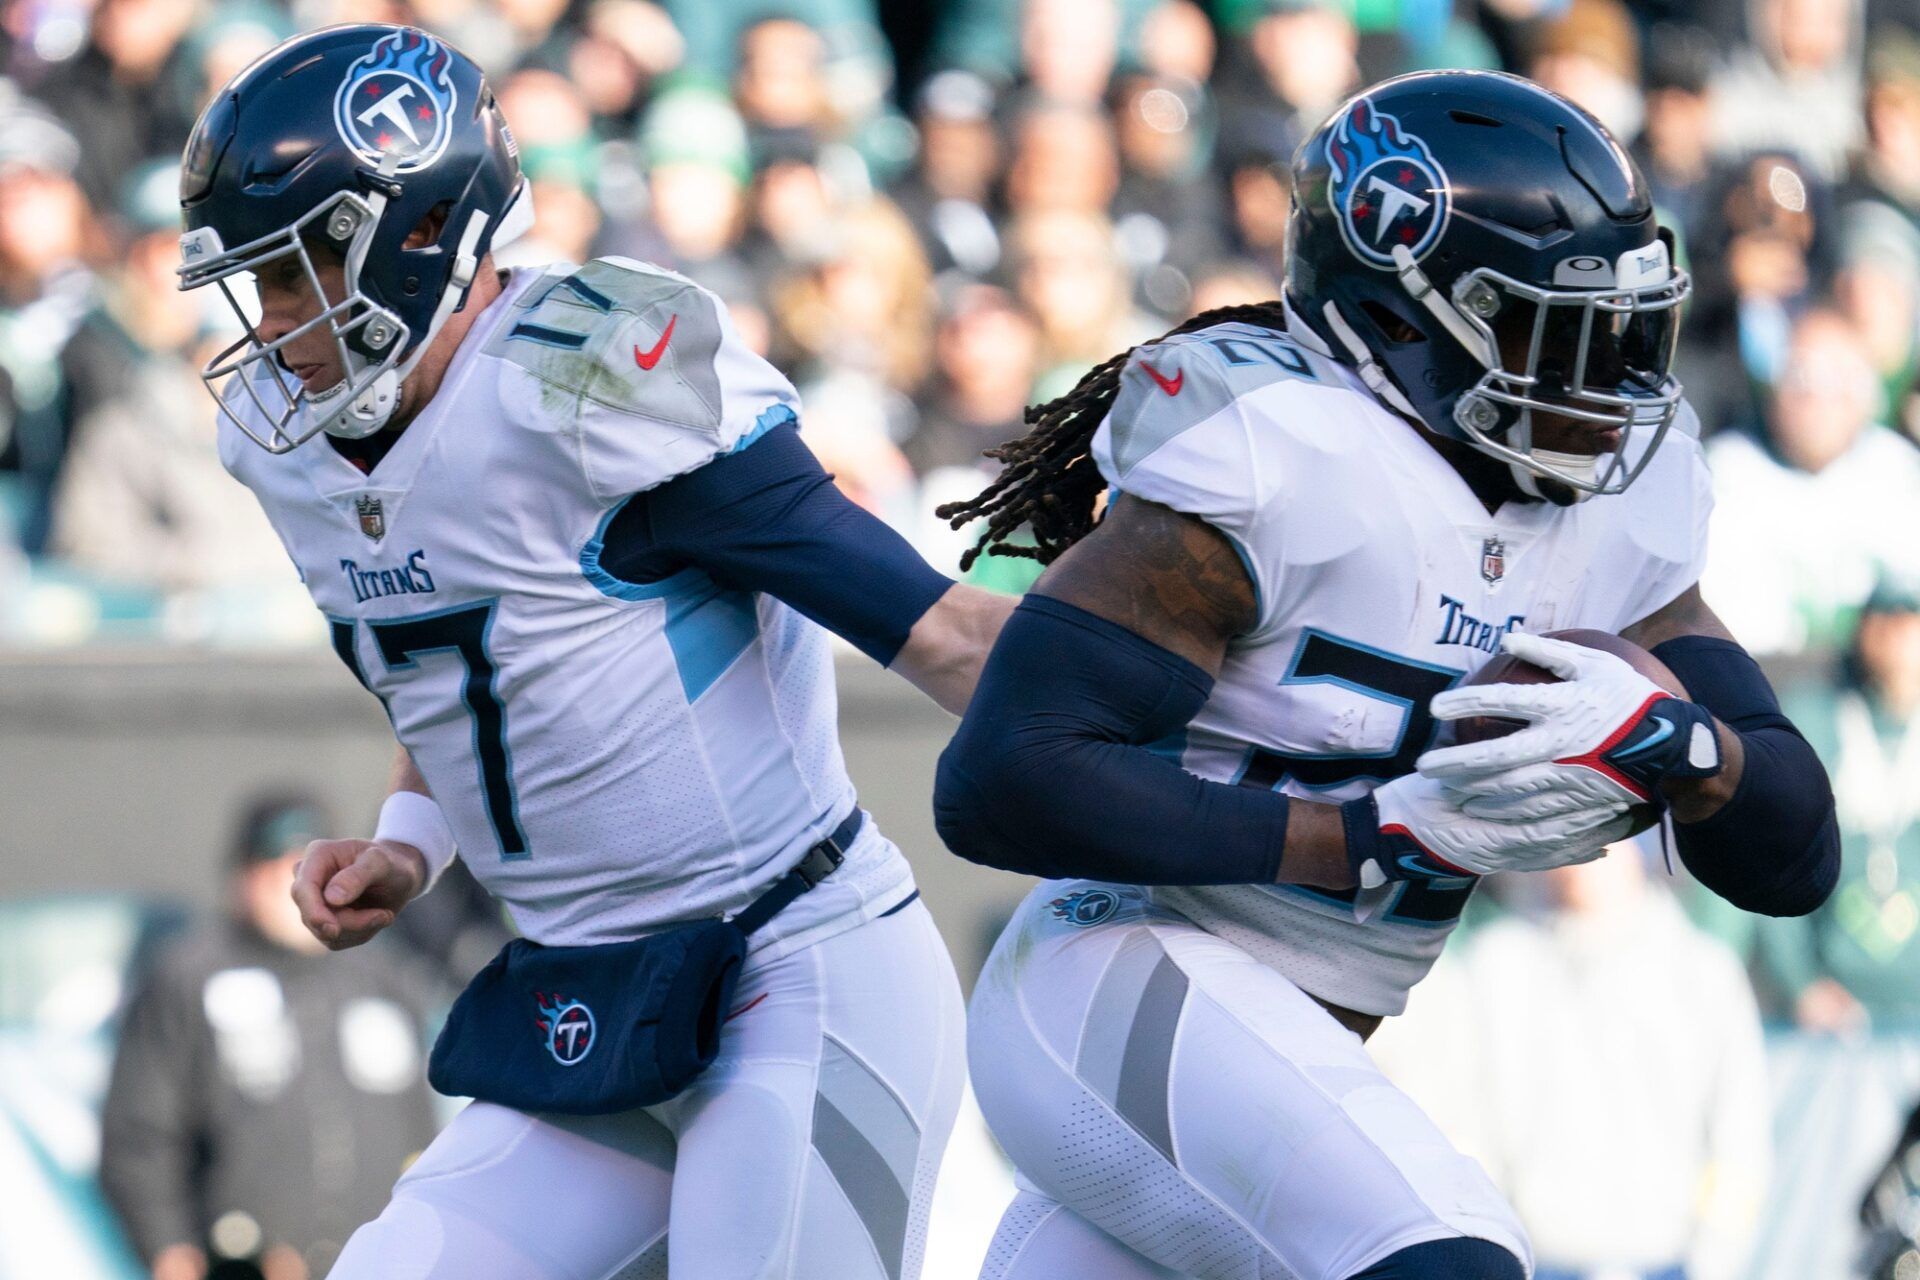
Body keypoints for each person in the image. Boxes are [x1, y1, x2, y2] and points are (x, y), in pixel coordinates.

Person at [934, 72, 1839, 1279]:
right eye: (1558, 327)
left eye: (1627, 329)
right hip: (1114, 976)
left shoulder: (1618, 517)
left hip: (1294, 1044)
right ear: (1406, 317)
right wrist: (1355, 835)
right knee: (1450, 1258)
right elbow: (1001, 778)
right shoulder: (1282, 452)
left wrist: (1686, 750)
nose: (1612, 377)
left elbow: (1794, 854)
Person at [173, 24, 1009, 1279]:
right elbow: (464, 668)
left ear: (409, 239)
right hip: (594, 1006)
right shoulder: (289, 454)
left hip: (795, 970)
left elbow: (940, 632)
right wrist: (412, 840)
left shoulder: (592, 385)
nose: (273, 326)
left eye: (293, 275)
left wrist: (1221, 760)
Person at [99, 794, 443, 1280]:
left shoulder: (382, 978)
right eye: (277, 865)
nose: (291, 883)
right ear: (244, 875)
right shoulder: (190, 975)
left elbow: (423, 1127)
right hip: (240, 1264)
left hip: (376, 1260)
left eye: (307, 867)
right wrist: (166, 1245)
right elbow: (140, 1131)